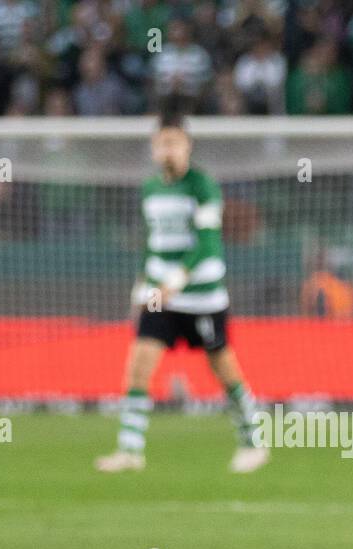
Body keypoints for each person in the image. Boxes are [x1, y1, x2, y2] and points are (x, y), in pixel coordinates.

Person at [96, 115, 268, 474]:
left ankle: (253, 440)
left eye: (174, 142)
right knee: (139, 366)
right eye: (161, 142)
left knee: (223, 369)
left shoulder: (202, 186)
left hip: (201, 294)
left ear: (187, 145)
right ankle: (130, 450)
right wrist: (141, 286)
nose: (167, 149)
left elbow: (207, 242)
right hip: (160, 293)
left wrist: (176, 279)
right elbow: (152, 243)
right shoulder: (150, 189)